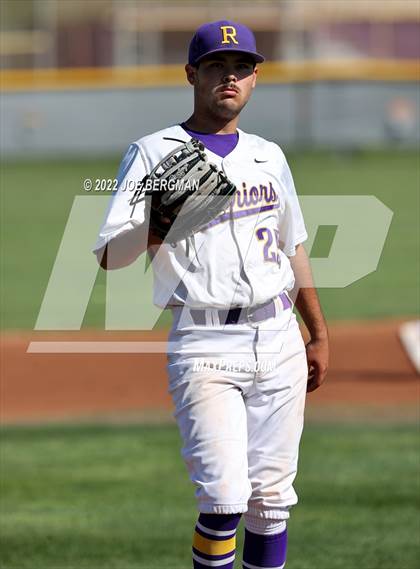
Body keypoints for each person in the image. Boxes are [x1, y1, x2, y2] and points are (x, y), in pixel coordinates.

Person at [94, 20, 329, 569]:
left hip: (278, 337)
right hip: (204, 342)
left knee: (271, 504)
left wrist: (318, 331)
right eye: (217, 66)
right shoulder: (154, 153)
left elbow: (292, 247)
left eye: (242, 67)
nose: (230, 77)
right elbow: (109, 255)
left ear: (254, 79)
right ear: (191, 74)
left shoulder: (269, 155)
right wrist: (157, 222)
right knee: (224, 501)